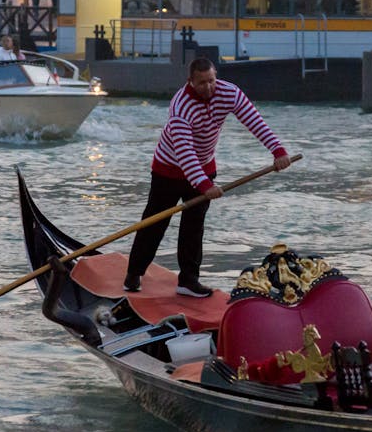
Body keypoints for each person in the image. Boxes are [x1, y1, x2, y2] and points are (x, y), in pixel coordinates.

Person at [125, 57, 292, 297]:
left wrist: (278, 151)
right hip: (169, 169)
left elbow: (254, 120)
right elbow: (184, 151)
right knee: (155, 222)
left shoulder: (229, 93)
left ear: (216, 77)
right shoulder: (180, 107)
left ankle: (188, 280)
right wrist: (204, 185)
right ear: (190, 82)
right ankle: (134, 272)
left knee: (194, 227)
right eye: (202, 83)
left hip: (204, 165)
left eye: (211, 80)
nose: (208, 87)